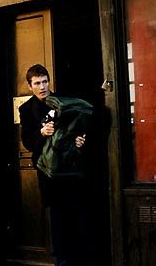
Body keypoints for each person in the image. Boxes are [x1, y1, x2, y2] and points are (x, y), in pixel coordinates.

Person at [19, 63, 93, 266]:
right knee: (56, 218)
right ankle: (61, 261)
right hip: (47, 172)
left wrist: (81, 141)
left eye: (45, 81)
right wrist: (41, 133)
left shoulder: (64, 102)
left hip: (70, 169)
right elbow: (27, 141)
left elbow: (80, 129)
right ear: (30, 86)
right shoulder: (26, 109)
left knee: (77, 214)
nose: (42, 87)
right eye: (37, 83)